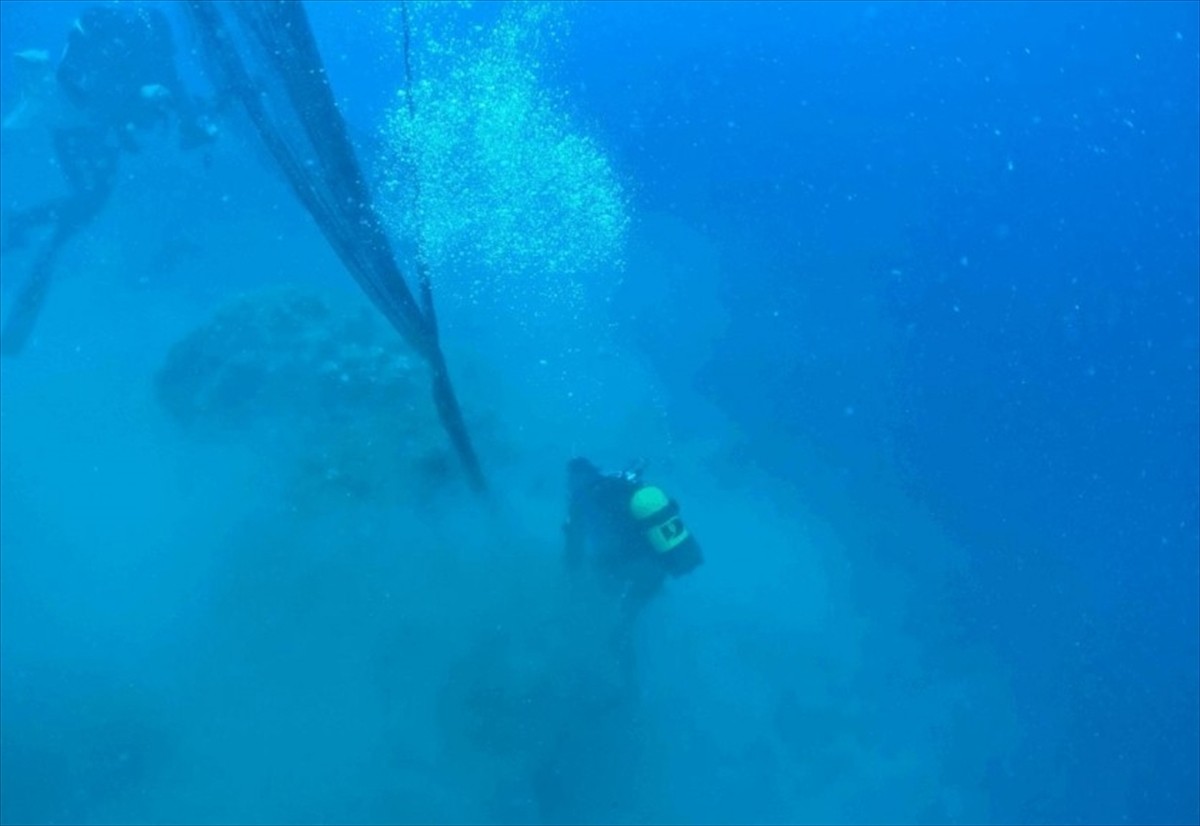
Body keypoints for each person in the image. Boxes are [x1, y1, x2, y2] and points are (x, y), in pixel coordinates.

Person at [1, 4, 216, 353]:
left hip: (87, 129)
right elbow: (82, 81)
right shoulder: (112, 21)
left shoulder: (141, 22)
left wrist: (189, 119)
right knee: (88, 203)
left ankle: (27, 234)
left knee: (88, 202)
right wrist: (140, 107)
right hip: (81, 129)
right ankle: (28, 239)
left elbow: (169, 75)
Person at [562, 456, 704, 684]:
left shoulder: (582, 497)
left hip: (630, 566)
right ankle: (646, 654)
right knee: (632, 610)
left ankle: (624, 676)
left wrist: (572, 578)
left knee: (613, 614)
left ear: (574, 478)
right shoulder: (619, 482)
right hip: (658, 565)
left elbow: (574, 547)